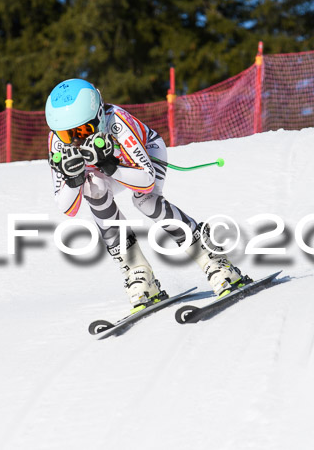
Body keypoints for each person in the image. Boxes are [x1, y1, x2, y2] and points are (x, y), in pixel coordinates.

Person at [45, 78, 251, 311]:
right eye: (66, 134)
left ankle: (211, 258)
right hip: (109, 170)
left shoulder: (116, 122)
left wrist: (108, 163)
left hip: (145, 156)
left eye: (84, 130)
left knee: (146, 201)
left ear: (99, 115)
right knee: (94, 189)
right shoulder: (56, 143)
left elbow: (146, 180)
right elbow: (66, 207)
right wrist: (74, 181)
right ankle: (138, 272)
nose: (76, 140)